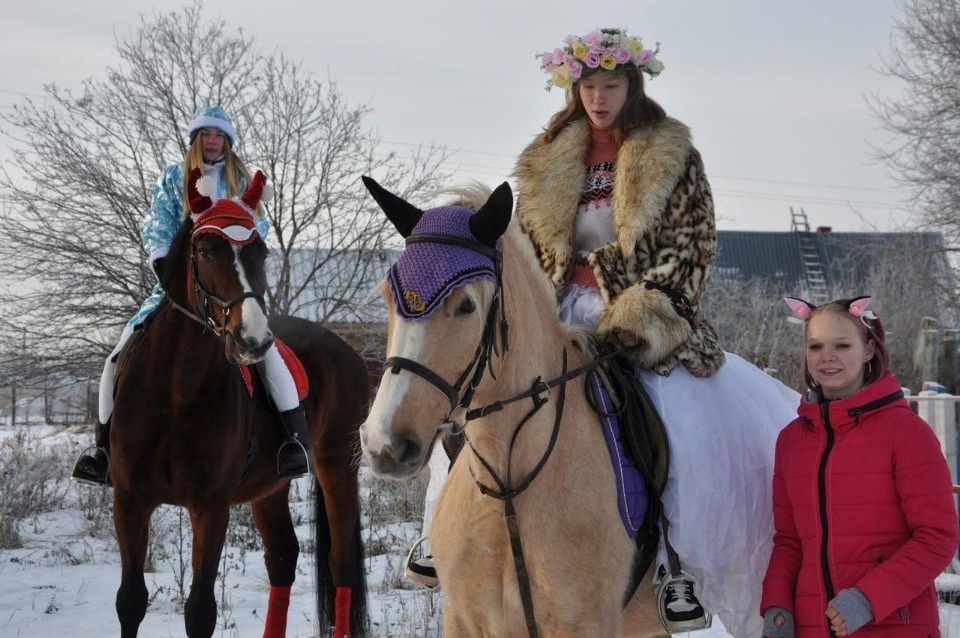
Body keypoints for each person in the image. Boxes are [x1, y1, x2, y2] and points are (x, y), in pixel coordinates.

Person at [409, 27, 798, 637]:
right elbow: (523, 255)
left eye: (610, 85)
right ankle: (440, 537)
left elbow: (691, 252)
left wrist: (644, 315)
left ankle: (672, 567)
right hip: (552, 317)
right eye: (588, 85)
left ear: (632, 85)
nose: (598, 97)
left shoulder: (672, 155)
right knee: (475, 409)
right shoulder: (546, 160)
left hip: (639, 322)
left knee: (677, 423)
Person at [70, 105, 311, 485]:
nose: (213, 141)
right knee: (117, 355)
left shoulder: (240, 180)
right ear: (196, 140)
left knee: (267, 352)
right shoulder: (173, 177)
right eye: (206, 134)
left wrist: (243, 261)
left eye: (219, 135)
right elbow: (158, 223)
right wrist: (164, 266)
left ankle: (293, 441)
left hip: (231, 287)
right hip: (178, 285)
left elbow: (258, 227)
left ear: (227, 141)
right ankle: (102, 450)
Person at [761, 296, 958, 638]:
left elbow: (937, 538)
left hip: (894, 626)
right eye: (816, 346)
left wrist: (868, 599)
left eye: (842, 345)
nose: (827, 356)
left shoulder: (905, 432)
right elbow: (790, 540)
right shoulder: (791, 441)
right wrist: (778, 604)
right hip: (812, 627)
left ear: (868, 349)